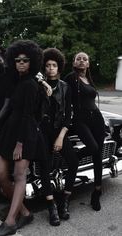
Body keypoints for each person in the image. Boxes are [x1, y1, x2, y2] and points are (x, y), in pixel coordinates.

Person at [0, 40, 49, 236]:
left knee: (19, 175)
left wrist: (20, 143)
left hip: (25, 132)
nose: (21, 63)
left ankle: (10, 222)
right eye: (17, 60)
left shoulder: (31, 85)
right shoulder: (15, 81)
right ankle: (24, 212)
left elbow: (28, 115)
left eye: (25, 60)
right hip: (9, 130)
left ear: (32, 62)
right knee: (1, 176)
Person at [40, 48, 79, 221]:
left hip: (59, 131)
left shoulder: (65, 87)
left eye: (54, 65)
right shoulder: (38, 84)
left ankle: (64, 200)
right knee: (44, 166)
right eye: (47, 65)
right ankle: (51, 205)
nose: (50, 68)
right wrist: (41, 83)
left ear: (59, 67)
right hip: (42, 131)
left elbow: (68, 115)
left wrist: (61, 136)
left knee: (73, 161)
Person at [64, 52, 105, 211]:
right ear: (74, 62)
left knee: (97, 155)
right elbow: (63, 96)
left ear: (88, 64)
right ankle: (74, 158)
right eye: (78, 59)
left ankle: (97, 191)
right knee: (93, 147)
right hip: (80, 120)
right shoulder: (70, 78)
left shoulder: (89, 80)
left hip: (97, 118)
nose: (81, 61)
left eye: (85, 59)